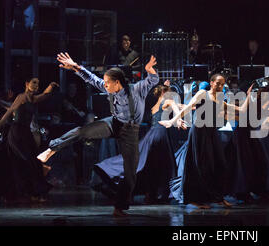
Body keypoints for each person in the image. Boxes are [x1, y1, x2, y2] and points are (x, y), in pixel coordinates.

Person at [37, 52, 159, 217]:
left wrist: (150, 70)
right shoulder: (109, 87)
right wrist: (74, 66)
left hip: (130, 130)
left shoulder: (136, 89)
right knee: (82, 131)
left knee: (130, 172)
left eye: (108, 83)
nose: (105, 85)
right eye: (105, 82)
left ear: (117, 82)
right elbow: (91, 78)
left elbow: (153, 80)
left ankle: (120, 206)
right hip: (113, 123)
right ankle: (52, 148)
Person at [160, 74, 253, 209]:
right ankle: (195, 199)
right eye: (217, 83)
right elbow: (188, 107)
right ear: (211, 83)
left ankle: (218, 198)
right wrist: (173, 121)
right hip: (199, 132)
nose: (220, 86)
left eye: (222, 84)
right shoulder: (203, 93)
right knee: (200, 165)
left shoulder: (221, 100)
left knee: (220, 164)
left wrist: (249, 95)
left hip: (211, 133)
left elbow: (242, 110)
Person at [93, 81, 185, 203]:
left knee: (149, 165)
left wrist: (191, 106)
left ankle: (149, 194)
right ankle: (157, 193)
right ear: (164, 92)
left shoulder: (155, 106)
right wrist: (178, 120)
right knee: (164, 165)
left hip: (151, 135)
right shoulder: (168, 101)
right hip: (161, 135)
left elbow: (181, 107)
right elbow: (176, 108)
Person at [0, 78, 58, 203]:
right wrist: (1, 121)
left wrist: (51, 86)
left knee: (31, 161)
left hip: (26, 132)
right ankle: (29, 192)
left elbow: (44, 95)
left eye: (38, 83)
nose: (36, 86)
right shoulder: (22, 97)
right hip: (17, 132)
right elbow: (11, 110)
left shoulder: (33, 99)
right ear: (26, 84)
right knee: (25, 160)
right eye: (34, 83)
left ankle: (30, 192)